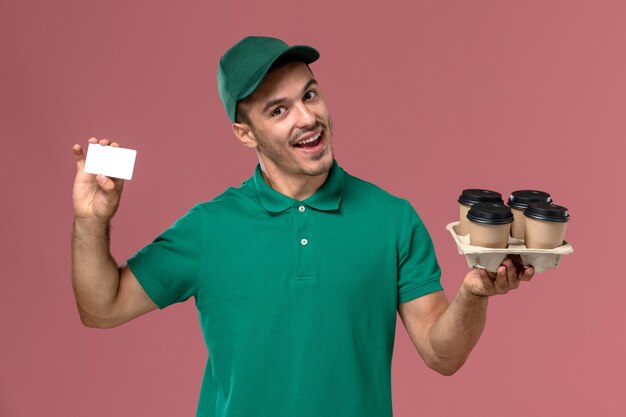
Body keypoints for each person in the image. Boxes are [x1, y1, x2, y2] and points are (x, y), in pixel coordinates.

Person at [71, 36, 534, 417]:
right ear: (245, 133)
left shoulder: (392, 219)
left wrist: (473, 295)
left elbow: (443, 354)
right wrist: (91, 222)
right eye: (279, 110)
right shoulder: (208, 229)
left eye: (309, 95)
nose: (307, 118)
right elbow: (102, 306)